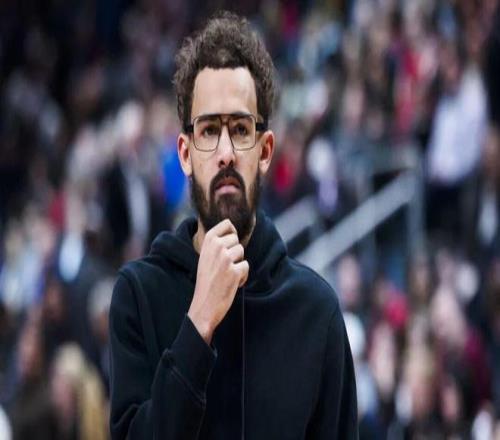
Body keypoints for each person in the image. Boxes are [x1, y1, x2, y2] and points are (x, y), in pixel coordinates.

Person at [109, 11, 358, 439]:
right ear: (185, 153)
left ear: (265, 151)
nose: (225, 151)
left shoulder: (316, 313)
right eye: (209, 130)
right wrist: (199, 323)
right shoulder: (138, 296)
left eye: (241, 129)